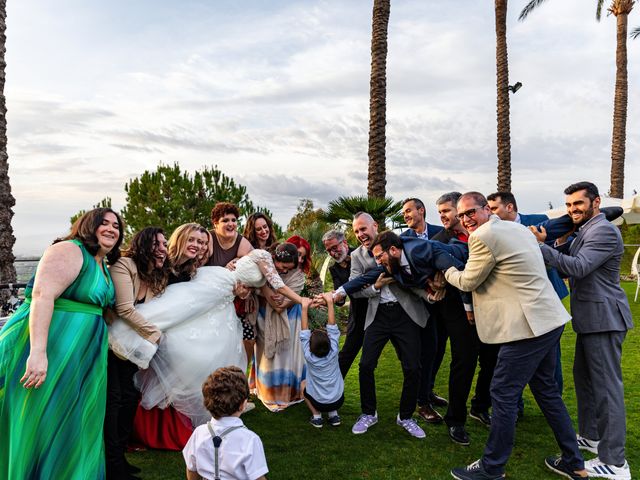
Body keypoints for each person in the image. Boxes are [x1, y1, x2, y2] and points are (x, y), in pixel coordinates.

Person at [444, 192, 586, 480]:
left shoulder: (482, 235)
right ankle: (573, 461)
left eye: (471, 212)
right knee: (546, 391)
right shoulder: (515, 227)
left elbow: (469, 279)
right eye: (461, 216)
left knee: (503, 394)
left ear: (486, 210)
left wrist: (446, 270)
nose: (466, 219)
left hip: (527, 327)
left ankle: (492, 467)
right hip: (548, 319)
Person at [109, 241, 311, 424]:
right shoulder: (263, 257)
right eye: (284, 266)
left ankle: (220, 399)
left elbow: (258, 286)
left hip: (227, 297)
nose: (283, 271)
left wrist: (246, 291)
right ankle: (129, 330)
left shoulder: (264, 265)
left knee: (206, 333)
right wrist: (301, 300)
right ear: (277, 257)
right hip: (219, 282)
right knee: (178, 309)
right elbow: (278, 285)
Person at [0, 208, 123, 479]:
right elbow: (43, 296)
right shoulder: (69, 249)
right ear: (88, 226)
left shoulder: (102, 263)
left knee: (76, 421)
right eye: (104, 223)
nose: (111, 229)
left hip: (85, 355)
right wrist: (38, 353)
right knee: (46, 417)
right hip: (54, 347)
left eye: (116, 225)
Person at [533, 181, 633, 480]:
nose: (573, 209)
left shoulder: (602, 230)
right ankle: (591, 437)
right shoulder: (585, 231)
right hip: (590, 319)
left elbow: (577, 267)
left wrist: (540, 247)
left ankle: (615, 462)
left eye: (578, 203)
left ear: (596, 202)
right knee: (585, 381)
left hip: (604, 319)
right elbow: (565, 267)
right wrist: (553, 244)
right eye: (569, 205)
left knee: (606, 389)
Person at [334, 212, 430, 439]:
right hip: (376, 315)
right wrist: (376, 286)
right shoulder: (357, 256)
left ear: (374, 226)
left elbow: (415, 274)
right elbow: (354, 288)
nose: (360, 235)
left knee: (412, 367)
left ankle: (405, 416)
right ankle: (369, 413)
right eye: (356, 231)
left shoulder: (397, 244)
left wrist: (430, 294)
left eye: (363, 229)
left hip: (405, 314)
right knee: (366, 365)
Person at [430, 192, 497, 445]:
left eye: (448, 211)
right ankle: (455, 420)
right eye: (442, 213)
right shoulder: (440, 240)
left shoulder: (488, 232)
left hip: (489, 307)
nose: (445, 217)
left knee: (492, 359)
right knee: (464, 361)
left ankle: (480, 406)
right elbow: (429, 268)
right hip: (456, 309)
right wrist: (434, 278)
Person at [105, 226, 169, 479]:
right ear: (144, 245)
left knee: (130, 398)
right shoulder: (124, 265)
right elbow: (124, 309)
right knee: (115, 400)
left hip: (131, 349)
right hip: (110, 345)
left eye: (165, 245)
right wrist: (154, 335)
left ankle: (120, 456)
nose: (163, 250)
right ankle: (112, 465)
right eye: (158, 245)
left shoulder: (154, 275)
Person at [250, 241, 308, 411]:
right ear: (274, 259)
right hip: (264, 318)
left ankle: (288, 392)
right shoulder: (263, 269)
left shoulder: (298, 276)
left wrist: (274, 297)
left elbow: (282, 304)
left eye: (288, 268)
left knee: (287, 356)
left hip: (291, 319)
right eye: (282, 266)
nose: (284, 270)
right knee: (267, 357)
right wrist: (268, 293)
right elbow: (261, 289)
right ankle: (268, 392)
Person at [183, 366, 268, 480]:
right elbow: (258, 477)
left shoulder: (199, 433)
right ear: (243, 405)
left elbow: (191, 468)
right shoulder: (250, 439)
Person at [322, 229, 368, 378]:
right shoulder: (334, 268)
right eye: (329, 250)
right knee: (346, 354)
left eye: (335, 248)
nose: (333, 253)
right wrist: (336, 298)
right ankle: (332, 389)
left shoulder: (362, 253)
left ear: (345, 243)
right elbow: (340, 300)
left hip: (378, 311)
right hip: (358, 314)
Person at [301, 292, 344, 428]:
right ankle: (333, 415)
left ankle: (317, 417)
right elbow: (332, 327)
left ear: (310, 345)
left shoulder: (308, 355)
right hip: (338, 400)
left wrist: (304, 307)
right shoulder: (334, 351)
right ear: (329, 343)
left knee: (303, 384)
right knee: (333, 385)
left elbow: (304, 332)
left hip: (318, 402)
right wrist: (330, 302)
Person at [205, 202, 253, 269]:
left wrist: (238, 261)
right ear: (215, 223)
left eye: (233, 220)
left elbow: (255, 260)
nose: (230, 224)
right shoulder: (207, 238)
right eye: (225, 220)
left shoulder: (242, 243)